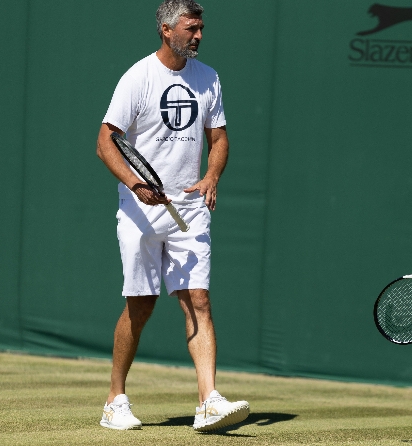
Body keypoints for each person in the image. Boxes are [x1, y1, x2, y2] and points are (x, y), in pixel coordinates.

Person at [95, 0, 249, 432]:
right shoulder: (138, 77)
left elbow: (218, 140)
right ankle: (115, 400)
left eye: (201, 28)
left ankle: (208, 400)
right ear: (166, 30)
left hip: (190, 205)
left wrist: (211, 176)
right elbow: (107, 141)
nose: (198, 35)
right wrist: (134, 183)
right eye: (190, 28)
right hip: (142, 210)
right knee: (140, 306)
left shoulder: (209, 78)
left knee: (197, 298)